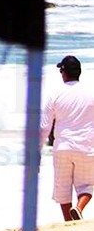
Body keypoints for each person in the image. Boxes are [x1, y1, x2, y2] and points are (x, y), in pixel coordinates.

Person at [40, 55, 94, 221]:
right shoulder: (91, 93)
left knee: (63, 190)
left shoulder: (55, 95)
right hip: (86, 147)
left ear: (63, 72)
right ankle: (78, 208)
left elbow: (43, 127)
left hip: (62, 148)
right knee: (87, 186)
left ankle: (69, 223)